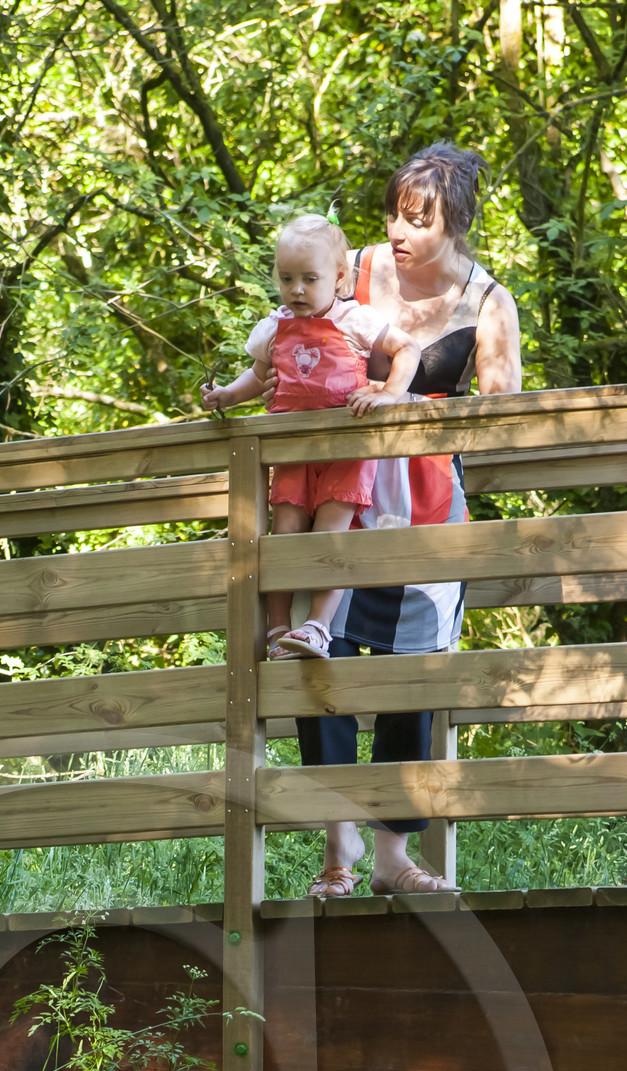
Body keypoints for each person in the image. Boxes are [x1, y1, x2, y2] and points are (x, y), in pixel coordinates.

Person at [284, 144, 524, 898]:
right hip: (338, 496)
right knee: (323, 663)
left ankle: (394, 856)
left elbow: (501, 413)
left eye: (418, 220)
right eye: (394, 212)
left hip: (425, 505)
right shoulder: (347, 268)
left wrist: (410, 404)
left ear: (456, 224)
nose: (398, 230)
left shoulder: (489, 302)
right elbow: (290, 348)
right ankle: (337, 853)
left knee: (412, 676)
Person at [199, 215, 421, 661]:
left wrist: (391, 393)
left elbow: (407, 348)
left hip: (345, 450)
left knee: (330, 535)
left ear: (339, 279)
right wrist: (228, 395)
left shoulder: (354, 319)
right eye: (286, 279)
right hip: (290, 452)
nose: (296, 289)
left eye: (309, 279)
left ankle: (318, 625)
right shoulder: (274, 327)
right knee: (285, 533)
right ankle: (277, 627)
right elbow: (257, 376)